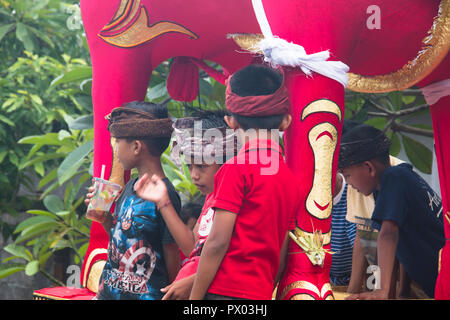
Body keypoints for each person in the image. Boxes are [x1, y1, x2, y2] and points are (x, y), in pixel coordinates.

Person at [189, 64, 301, 300]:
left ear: (231, 121)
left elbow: (217, 242)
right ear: (285, 122)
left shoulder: (235, 169)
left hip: (223, 291)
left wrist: (195, 299)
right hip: (259, 293)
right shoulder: (290, 178)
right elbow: (282, 251)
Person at [134, 110, 238, 300]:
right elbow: (193, 247)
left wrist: (192, 283)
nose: (194, 175)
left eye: (201, 166)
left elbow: (230, 260)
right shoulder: (211, 197)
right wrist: (163, 202)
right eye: (189, 166)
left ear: (226, 161)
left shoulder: (233, 200)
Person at [85, 101, 182, 300]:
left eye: (117, 142)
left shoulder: (166, 194)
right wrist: (104, 219)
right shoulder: (131, 186)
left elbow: (171, 251)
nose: (115, 149)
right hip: (108, 294)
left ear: (136, 146)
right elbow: (120, 240)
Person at [339, 123, 445, 299]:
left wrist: (381, 290)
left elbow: (388, 235)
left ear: (369, 168)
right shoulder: (395, 181)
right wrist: (402, 291)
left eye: (348, 175)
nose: (348, 183)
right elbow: (404, 243)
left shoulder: (394, 178)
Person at [329, 172, 357, 286]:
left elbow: (360, 245)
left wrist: (352, 289)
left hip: (352, 280)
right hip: (322, 279)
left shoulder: (354, 190)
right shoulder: (307, 196)